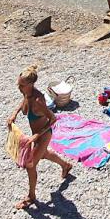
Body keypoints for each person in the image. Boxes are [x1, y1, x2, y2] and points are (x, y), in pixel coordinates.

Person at [9, 65, 72, 210]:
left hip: (43, 135)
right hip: (36, 136)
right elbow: (23, 100)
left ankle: (31, 196)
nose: (19, 87)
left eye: (22, 85)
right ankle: (66, 166)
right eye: (18, 84)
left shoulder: (38, 101)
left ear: (30, 85)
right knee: (44, 154)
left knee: (30, 165)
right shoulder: (27, 93)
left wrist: (36, 135)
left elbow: (53, 119)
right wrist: (14, 114)